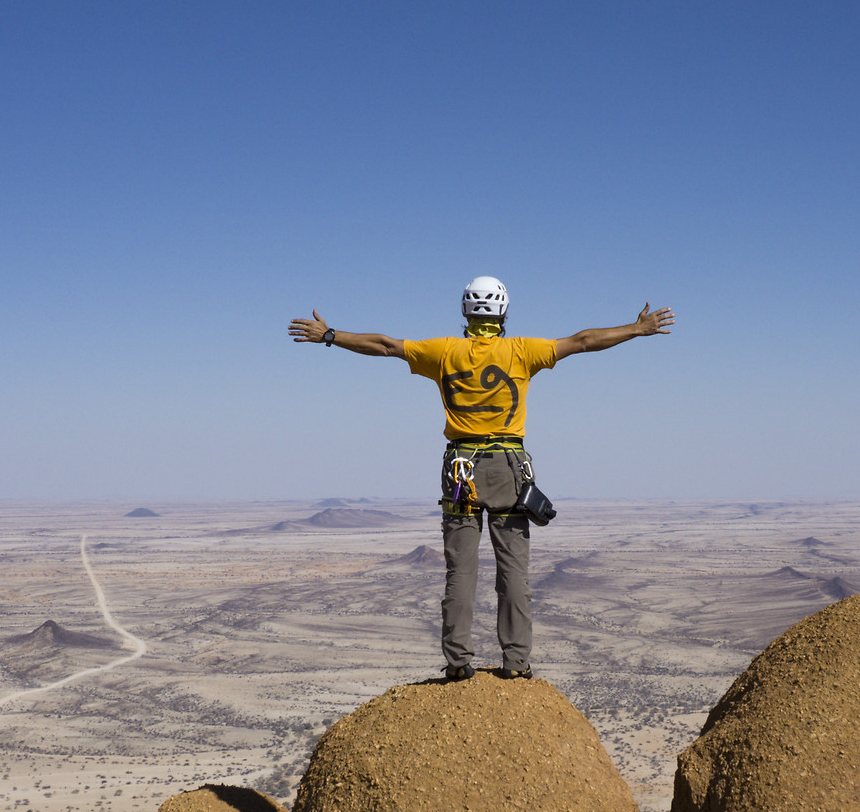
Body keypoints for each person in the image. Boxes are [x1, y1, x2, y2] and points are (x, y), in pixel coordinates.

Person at [287, 277, 674, 680]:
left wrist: (330, 335)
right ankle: (517, 662)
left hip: (460, 470)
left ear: (464, 312)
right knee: (513, 571)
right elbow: (582, 341)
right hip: (509, 469)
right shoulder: (523, 351)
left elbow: (386, 345)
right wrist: (636, 329)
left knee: (461, 572)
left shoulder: (442, 352)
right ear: (504, 313)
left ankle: (458, 662)